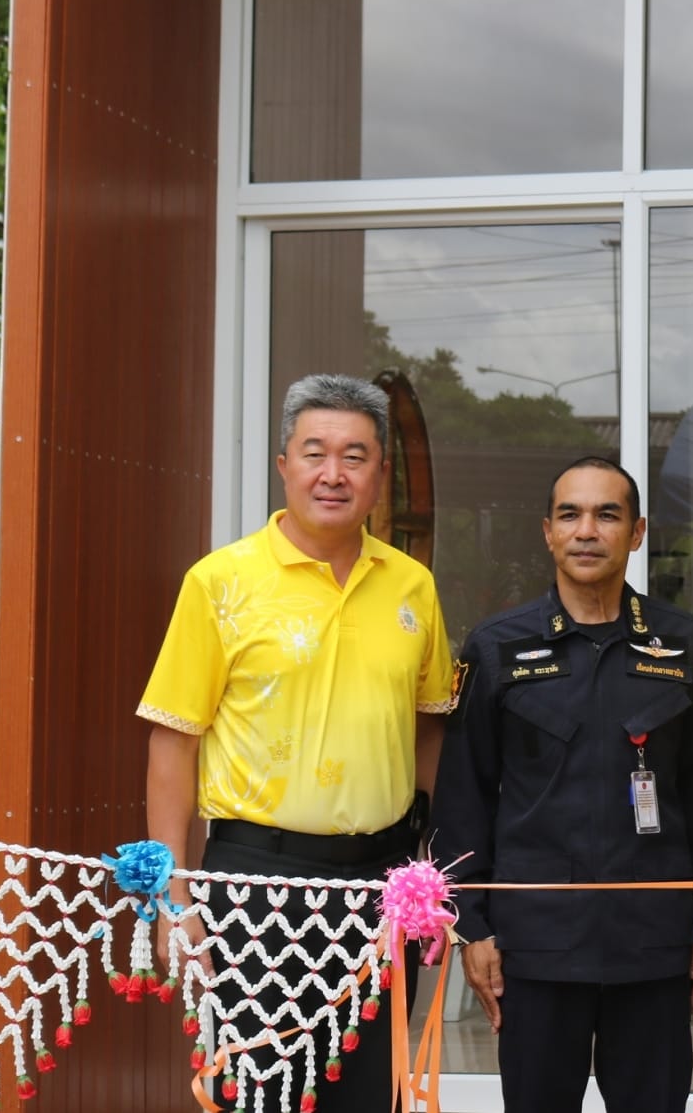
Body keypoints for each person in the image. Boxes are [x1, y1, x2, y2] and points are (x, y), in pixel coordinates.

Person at [137, 374, 455, 1113]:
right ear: (283, 464)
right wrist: (173, 900)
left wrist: (425, 862)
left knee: (374, 1092)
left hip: (381, 885)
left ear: (380, 475)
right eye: (315, 452)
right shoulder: (221, 582)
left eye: (356, 455)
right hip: (254, 881)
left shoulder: (412, 586)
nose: (333, 473)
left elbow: (430, 723)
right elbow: (171, 745)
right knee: (261, 1094)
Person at [433, 456, 693, 1112]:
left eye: (607, 514)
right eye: (570, 514)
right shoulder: (498, 647)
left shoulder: (682, 642)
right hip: (536, 947)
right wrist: (473, 925)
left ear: (636, 532)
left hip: (653, 944)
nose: (586, 530)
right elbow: (463, 797)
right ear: (547, 531)